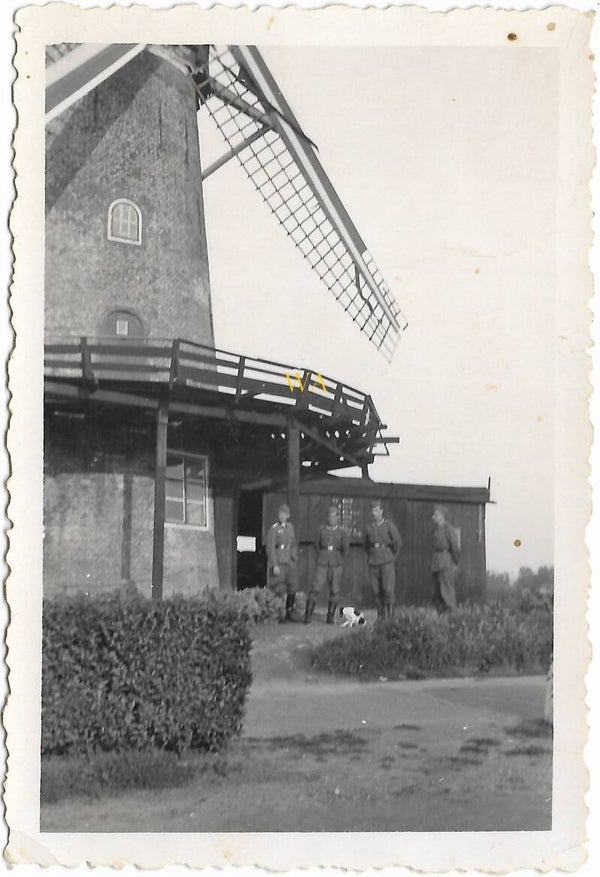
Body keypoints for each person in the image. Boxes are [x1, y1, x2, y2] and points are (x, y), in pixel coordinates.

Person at [305, 505, 349, 625]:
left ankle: (330, 616)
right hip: (322, 562)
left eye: (333, 516)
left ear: (338, 518)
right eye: (329, 516)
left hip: (336, 562)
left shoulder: (342, 532)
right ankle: (308, 615)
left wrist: (339, 560)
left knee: (335, 590)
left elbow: (345, 549)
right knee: (315, 587)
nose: (331, 519)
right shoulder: (321, 530)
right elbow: (317, 545)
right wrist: (321, 556)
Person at [364, 500, 402, 621]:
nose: (373, 513)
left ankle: (390, 617)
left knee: (387, 589)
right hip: (373, 561)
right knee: (376, 591)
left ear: (381, 511)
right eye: (372, 511)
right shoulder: (369, 528)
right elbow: (366, 546)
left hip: (386, 561)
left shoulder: (389, 525)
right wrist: (371, 555)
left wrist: (391, 556)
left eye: (376, 510)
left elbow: (397, 542)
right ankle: (381, 616)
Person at [266, 503, 300, 623]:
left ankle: (289, 612)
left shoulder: (290, 527)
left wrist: (294, 557)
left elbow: (293, 544)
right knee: (278, 587)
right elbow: (270, 548)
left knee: (292, 586)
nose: (282, 516)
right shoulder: (274, 529)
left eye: (284, 514)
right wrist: (274, 564)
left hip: (290, 561)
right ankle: (279, 614)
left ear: (288, 515)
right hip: (279, 561)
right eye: (280, 514)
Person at [431, 504, 460, 612]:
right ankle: (441, 616)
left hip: (445, 563)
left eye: (436, 515)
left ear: (442, 516)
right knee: (437, 592)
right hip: (436, 563)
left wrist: (455, 563)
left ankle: (451, 616)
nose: (433, 517)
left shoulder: (448, 529)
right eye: (434, 515)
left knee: (447, 591)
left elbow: (454, 547)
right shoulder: (436, 529)